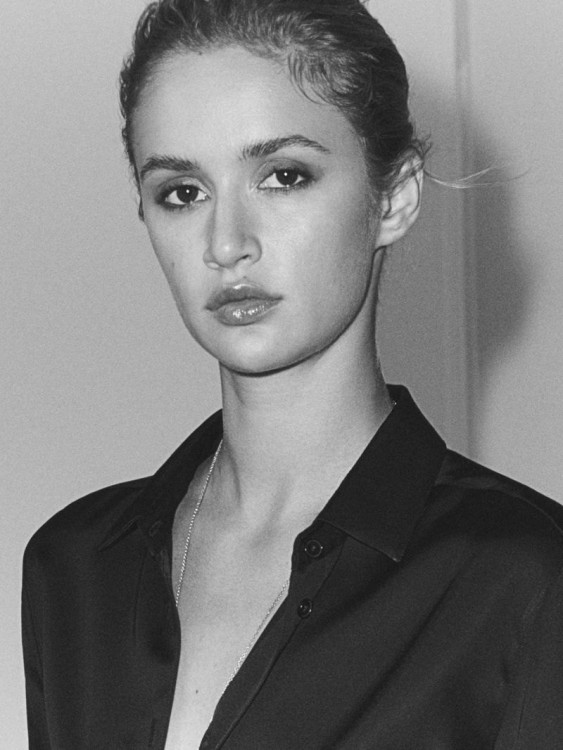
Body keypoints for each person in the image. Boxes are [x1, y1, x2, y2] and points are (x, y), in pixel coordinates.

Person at [21, 1, 563, 748]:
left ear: (394, 197)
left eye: (282, 176)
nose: (225, 244)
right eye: (183, 192)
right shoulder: (74, 566)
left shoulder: (523, 578)